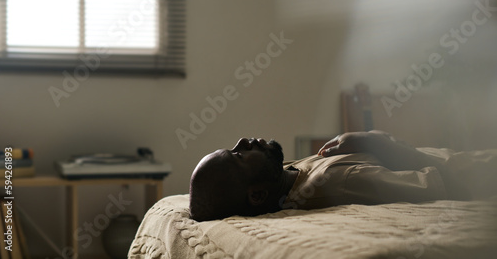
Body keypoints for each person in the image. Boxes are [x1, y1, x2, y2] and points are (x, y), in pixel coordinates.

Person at [189, 131, 497, 222]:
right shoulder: (340, 184)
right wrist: (379, 144)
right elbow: (456, 187)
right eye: (239, 155)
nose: (244, 141)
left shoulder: (285, 177)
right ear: (256, 195)